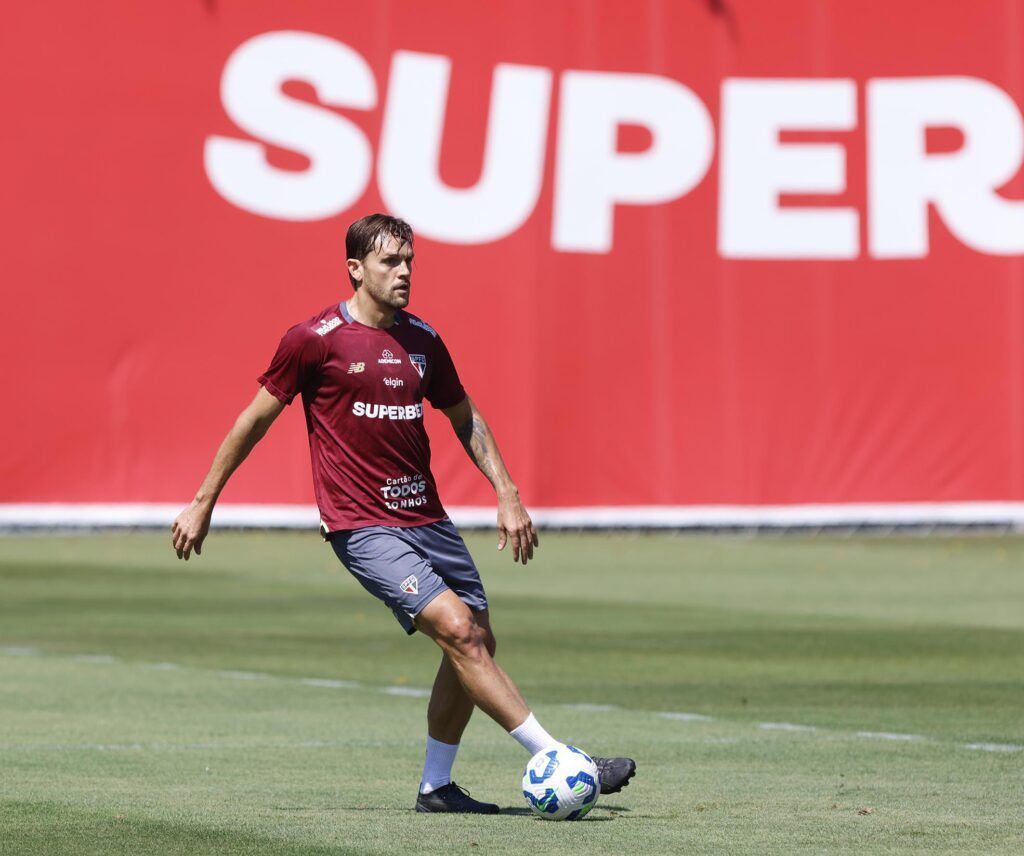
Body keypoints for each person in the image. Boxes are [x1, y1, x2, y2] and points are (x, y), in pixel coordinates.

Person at [171, 213, 635, 813]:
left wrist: (507, 491)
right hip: (361, 525)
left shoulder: (423, 340)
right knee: (459, 630)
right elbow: (254, 419)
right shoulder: (313, 340)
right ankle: (559, 757)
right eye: (391, 261)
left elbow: (464, 416)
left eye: (410, 260)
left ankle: (435, 788)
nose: (405, 272)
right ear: (355, 269)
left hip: (428, 520)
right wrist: (204, 501)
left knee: (476, 640)